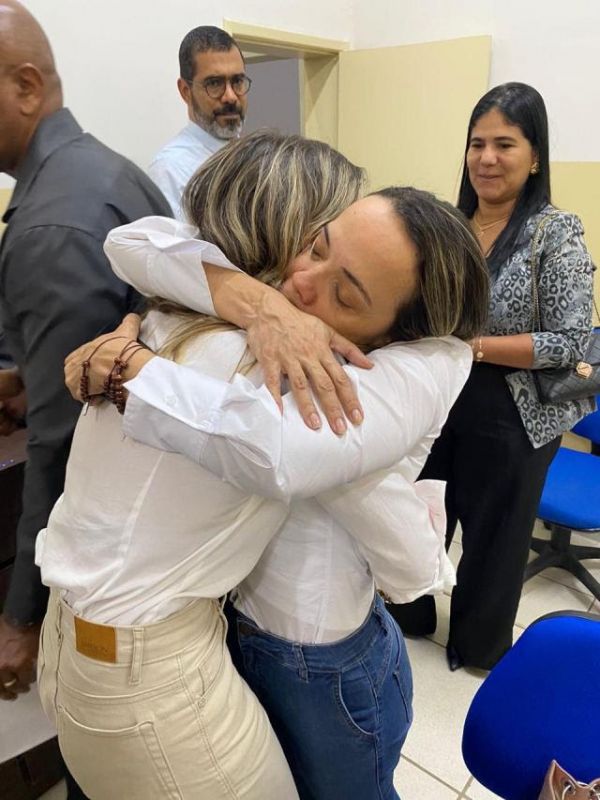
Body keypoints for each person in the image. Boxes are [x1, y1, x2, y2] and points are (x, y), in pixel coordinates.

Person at [62, 131, 489, 799]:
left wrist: (130, 367)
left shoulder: (384, 374)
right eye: (316, 245)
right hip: (223, 630)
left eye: (345, 293)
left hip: (321, 659)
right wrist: (255, 303)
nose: (301, 280)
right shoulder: (245, 334)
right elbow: (135, 243)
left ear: (394, 337)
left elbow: (276, 453)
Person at [0, 0, 171, 716]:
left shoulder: (51, 225)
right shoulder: (107, 171)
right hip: (157, 504)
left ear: (26, 87)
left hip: (110, 544)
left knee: (99, 734)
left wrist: (20, 616)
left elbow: (59, 441)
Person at [390, 82, 595, 672]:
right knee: (417, 516)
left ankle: (478, 647)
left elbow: (569, 342)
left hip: (513, 411)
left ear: (535, 157)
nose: (486, 158)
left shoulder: (554, 233)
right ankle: (409, 617)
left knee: (494, 540)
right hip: (436, 399)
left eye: (504, 144)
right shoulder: (448, 225)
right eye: (477, 144)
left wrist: (469, 347)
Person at [148, 26, 250, 219]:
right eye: (215, 83)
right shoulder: (171, 170)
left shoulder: (256, 157)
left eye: (237, 81)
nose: (230, 97)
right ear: (185, 91)